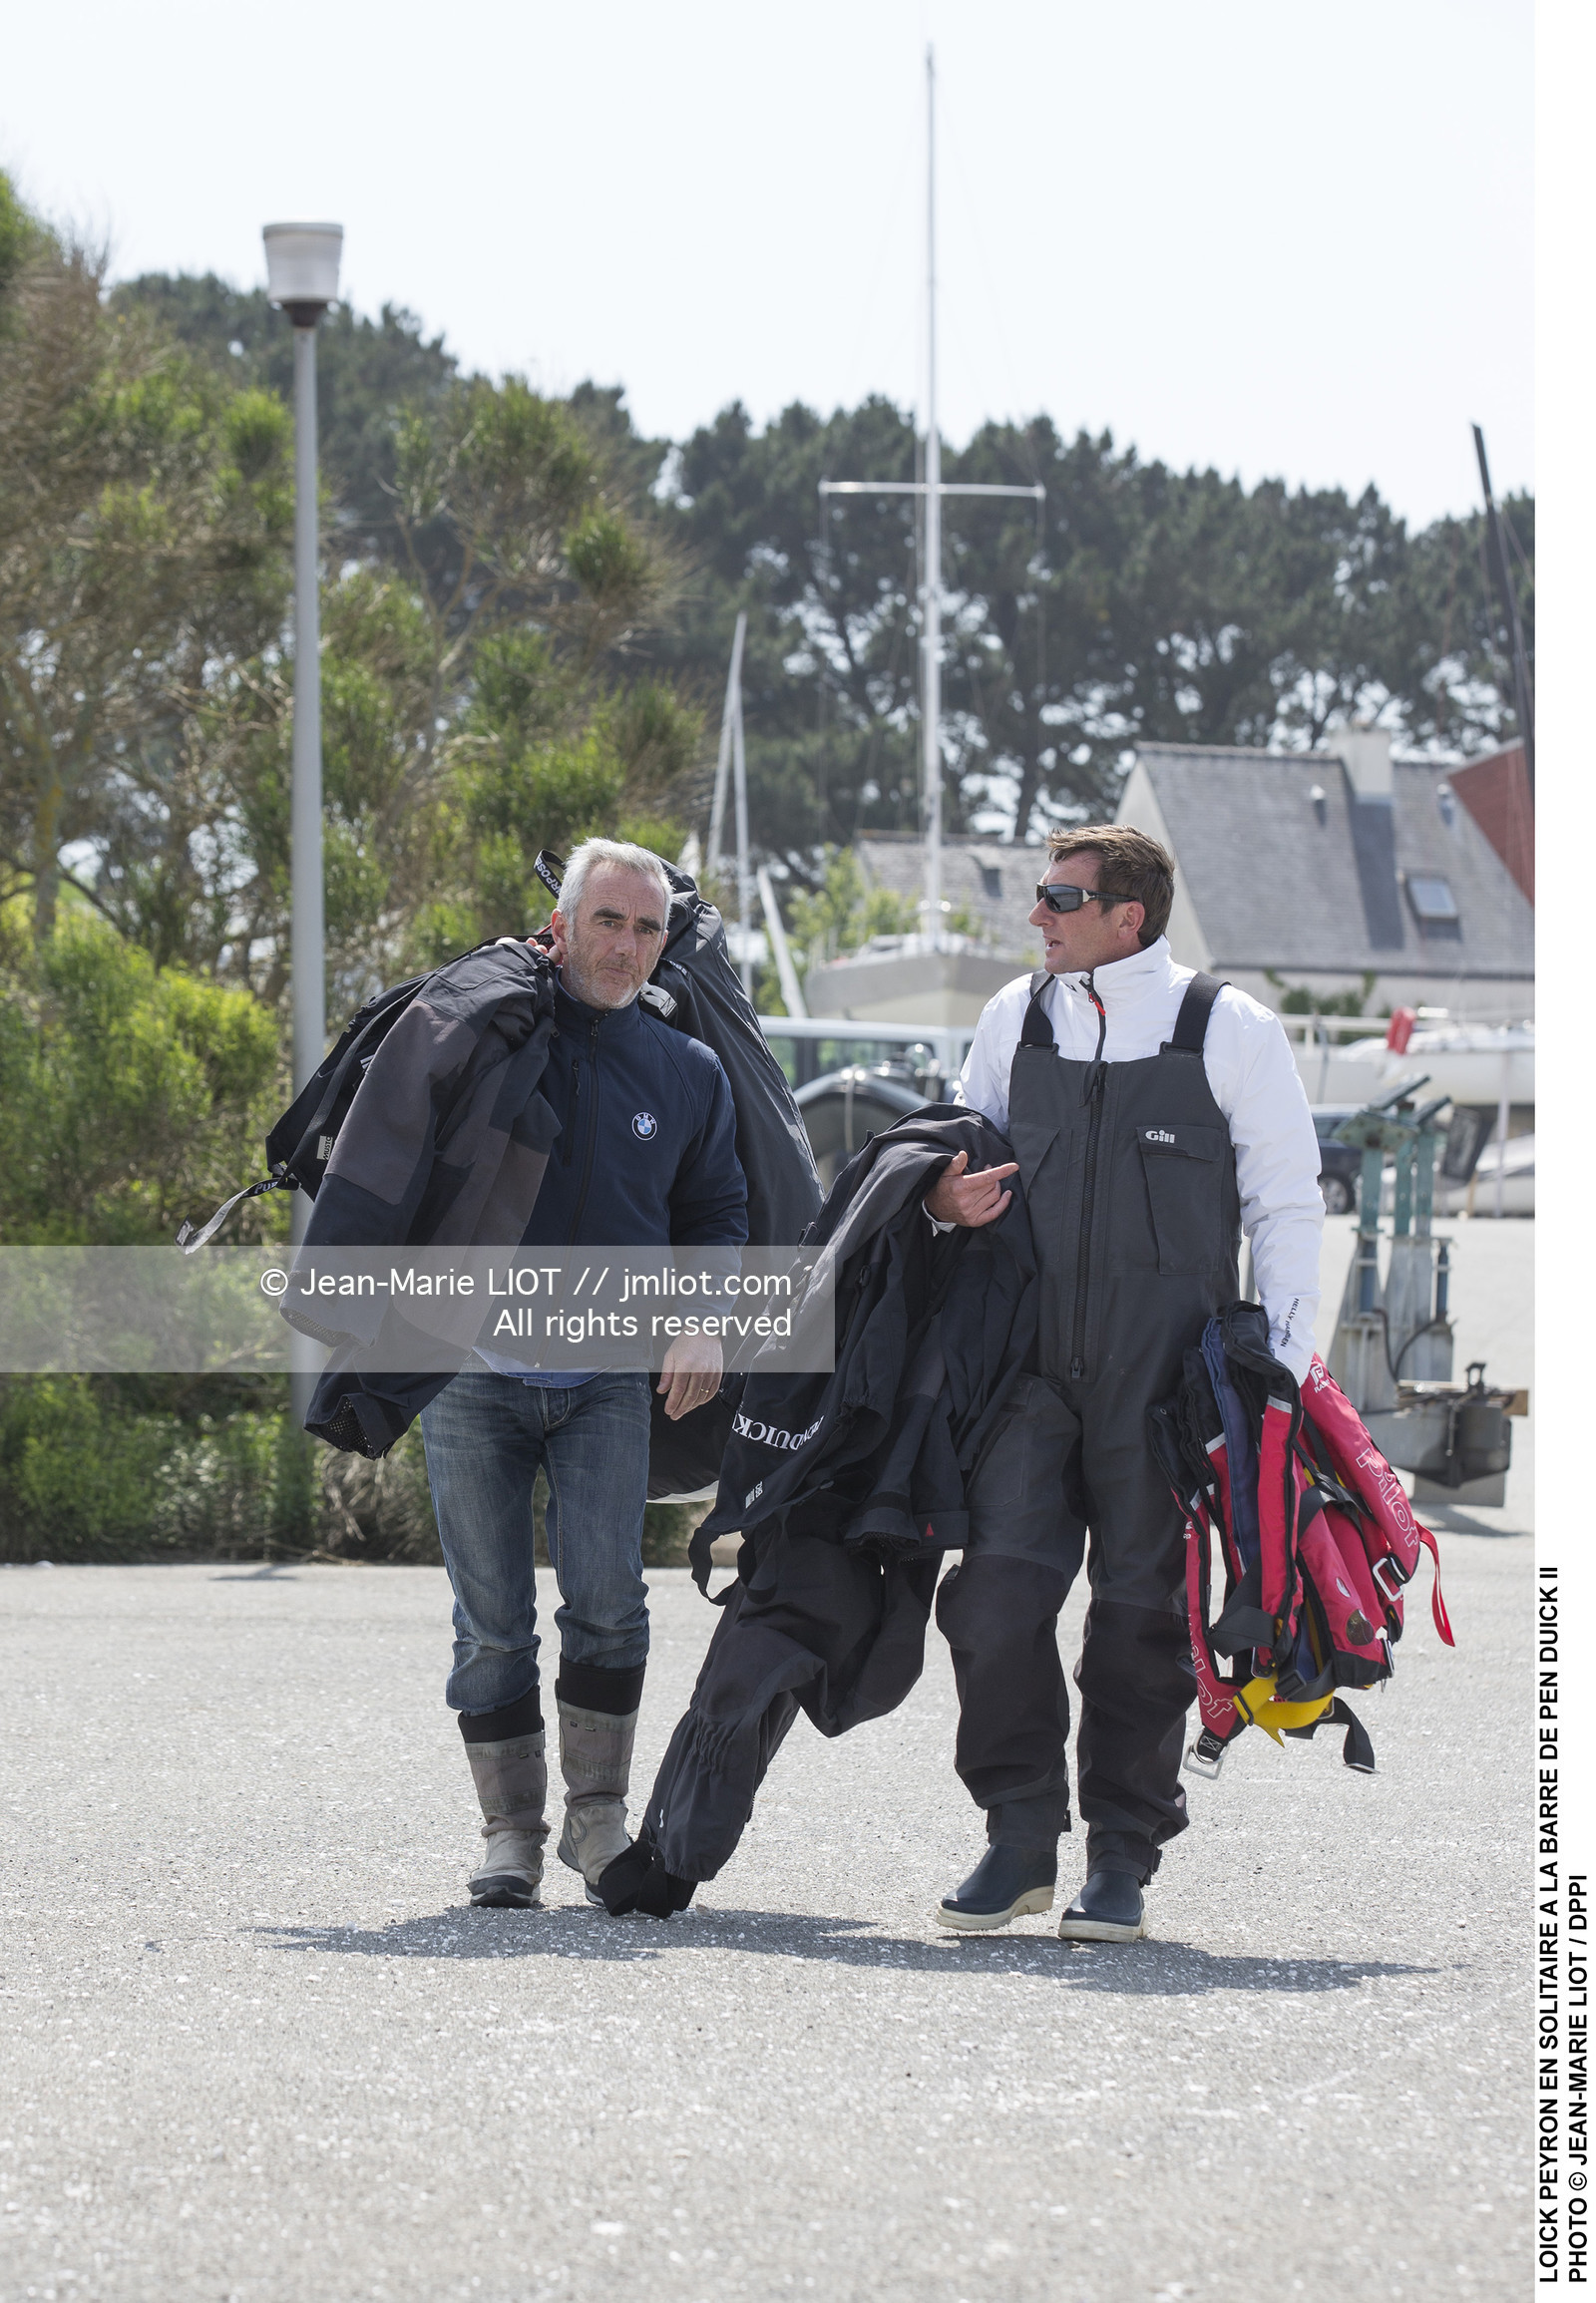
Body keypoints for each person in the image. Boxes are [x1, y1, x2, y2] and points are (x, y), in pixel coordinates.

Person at [927, 825, 1324, 1943]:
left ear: (1125, 920)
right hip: (1028, 1381)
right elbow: (963, 1161)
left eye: (1060, 897)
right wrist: (941, 1203)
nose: (1039, 916)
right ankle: (1016, 1836)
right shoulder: (1018, 1015)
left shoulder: (1225, 1029)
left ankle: (1120, 1855)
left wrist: (1280, 1380)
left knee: (1141, 1626)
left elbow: (1287, 1207)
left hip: (1169, 1390)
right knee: (993, 1603)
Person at [419, 839, 748, 1911]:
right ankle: (510, 1832)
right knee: (490, 1619)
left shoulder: (687, 1070)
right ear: (559, 925)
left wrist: (702, 1320)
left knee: (609, 1605)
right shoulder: (486, 1039)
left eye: (646, 928)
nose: (626, 946)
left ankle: (595, 1824)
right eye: (607, 921)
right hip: (469, 1371)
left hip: (609, 1374)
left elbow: (714, 1212)